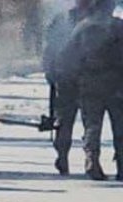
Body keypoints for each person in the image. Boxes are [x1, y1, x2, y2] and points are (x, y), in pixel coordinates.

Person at [63, 0, 123, 180]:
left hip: (90, 84)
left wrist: (72, 80)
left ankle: (92, 161)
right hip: (116, 85)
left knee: (92, 126)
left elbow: (69, 56)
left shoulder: (82, 27)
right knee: (120, 127)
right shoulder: (119, 27)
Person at [43, 0, 92, 175]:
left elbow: (50, 49)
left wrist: (50, 70)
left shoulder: (63, 20)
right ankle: (73, 157)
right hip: (77, 78)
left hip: (74, 77)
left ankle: (69, 156)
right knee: (81, 121)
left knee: (70, 121)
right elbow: (51, 48)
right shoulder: (95, 20)